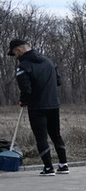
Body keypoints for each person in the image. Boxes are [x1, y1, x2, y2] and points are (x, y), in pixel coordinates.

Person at [8, 39, 69, 176]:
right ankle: (63, 165)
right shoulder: (49, 62)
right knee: (56, 134)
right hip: (54, 105)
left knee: (41, 137)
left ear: (19, 50)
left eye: (14, 53)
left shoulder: (23, 67)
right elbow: (58, 81)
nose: (15, 57)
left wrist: (23, 101)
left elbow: (26, 90)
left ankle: (48, 168)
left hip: (37, 108)